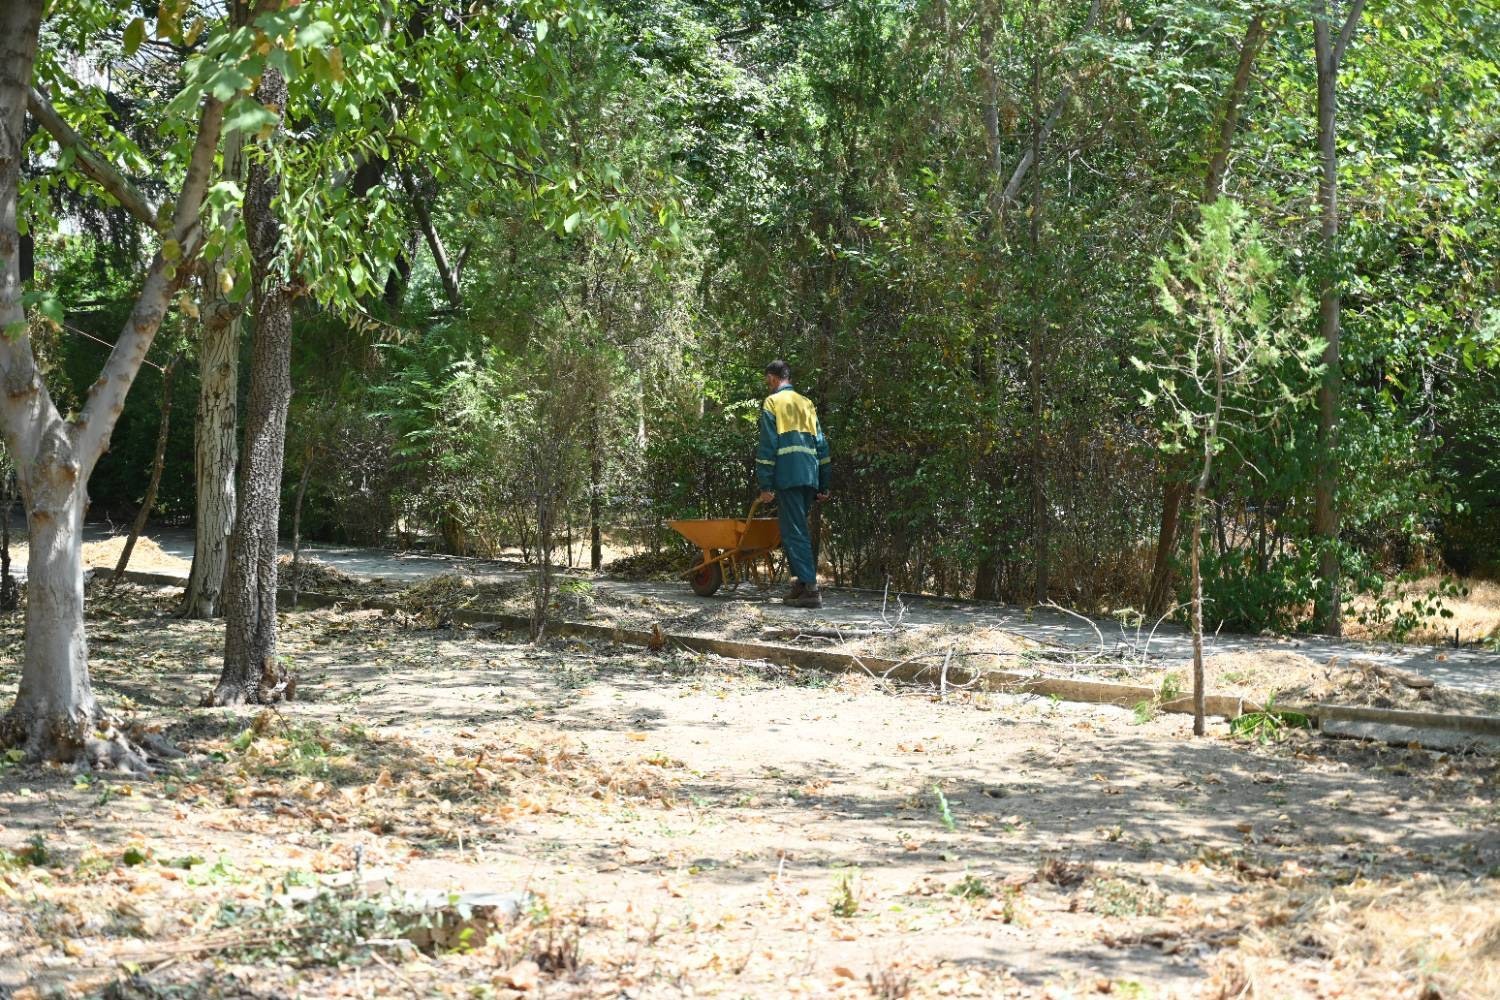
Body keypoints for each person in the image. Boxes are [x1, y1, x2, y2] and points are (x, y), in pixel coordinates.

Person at [755, 360, 830, 608]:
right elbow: (821, 444)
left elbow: (768, 445)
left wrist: (765, 484)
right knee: (796, 529)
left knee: (794, 531)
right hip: (810, 475)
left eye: (768, 381)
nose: (768, 386)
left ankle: (811, 588)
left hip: (789, 475)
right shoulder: (806, 402)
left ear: (775, 379)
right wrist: (824, 483)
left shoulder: (773, 402)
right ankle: (800, 583)